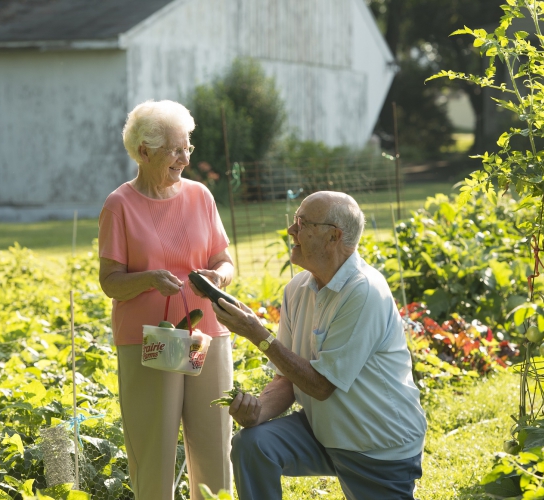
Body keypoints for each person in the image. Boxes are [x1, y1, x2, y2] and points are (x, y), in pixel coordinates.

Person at [211, 191, 427, 500]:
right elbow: (287, 377)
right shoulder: (298, 288)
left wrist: (257, 334)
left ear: (333, 237)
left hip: (377, 445)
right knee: (252, 443)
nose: (291, 230)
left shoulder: (364, 291)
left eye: (302, 222)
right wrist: (257, 414)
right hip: (323, 433)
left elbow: (322, 385)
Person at [98, 100, 234, 499]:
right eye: (176, 149)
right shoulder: (119, 205)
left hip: (205, 332)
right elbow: (110, 282)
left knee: (213, 447)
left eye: (187, 148)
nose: (184, 159)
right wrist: (148, 280)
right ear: (144, 151)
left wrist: (218, 276)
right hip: (149, 339)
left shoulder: (200, 197)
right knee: (152, 448)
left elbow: (224, 259)